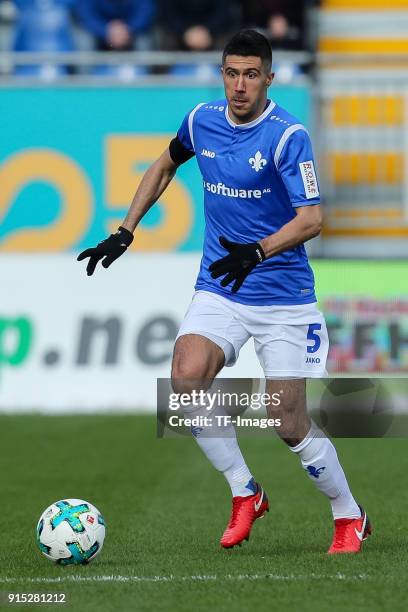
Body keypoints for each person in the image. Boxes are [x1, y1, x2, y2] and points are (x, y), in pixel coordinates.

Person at [77, 29, 372, 554]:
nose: (240, 85)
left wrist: (258, 250)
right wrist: (126, 230)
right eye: (232, 73)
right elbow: (164, 163)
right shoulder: (201, 120)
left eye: (251, 75)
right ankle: (245, 491)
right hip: (221, 285)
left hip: (282, 296)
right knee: (185, 378)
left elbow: (312, 219)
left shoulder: (287, 135)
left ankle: (348, 514)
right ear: (222, 75)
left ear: (269, 79)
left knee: (286, 418)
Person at [75, 0, 155, 51]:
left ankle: (145, 77)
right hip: (99, 35)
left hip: (130, 34)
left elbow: (145, 12)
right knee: (84, 41)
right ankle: (85, 77)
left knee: (144, 40)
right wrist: (105, 31)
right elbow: (86, 15)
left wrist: (128, 29)